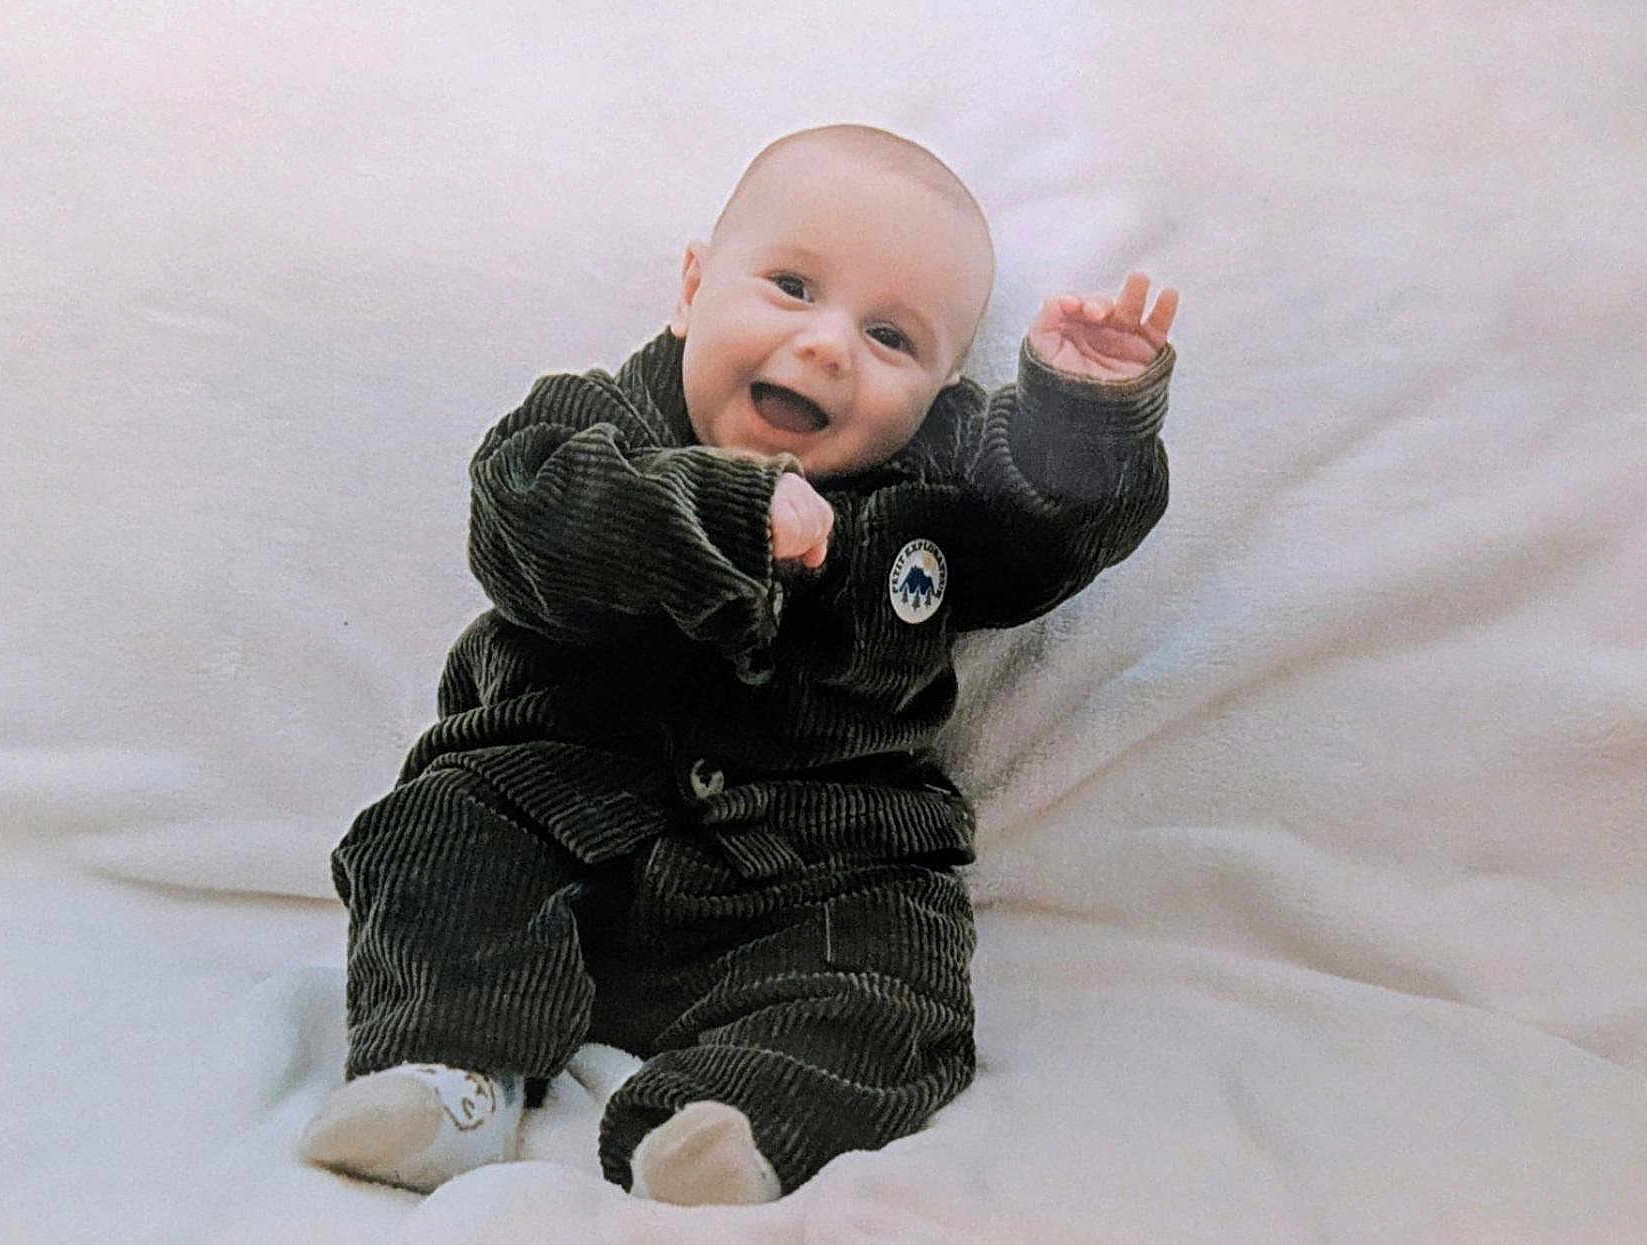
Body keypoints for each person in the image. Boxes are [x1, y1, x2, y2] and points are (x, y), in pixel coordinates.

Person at [300, 123, 1179, 1206]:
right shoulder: (592, 426)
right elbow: (527, 521)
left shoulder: (935, 494)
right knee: (432, 837)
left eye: (893, 338)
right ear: (691, 289)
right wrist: (723, 514)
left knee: (895, 971)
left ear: (947, 391)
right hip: (551, 807)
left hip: (817, 858)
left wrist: (1083, 419)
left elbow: (1045, 541)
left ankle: (740, 1122)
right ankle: (448, 1076)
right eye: (793, 285)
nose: (827, 346)